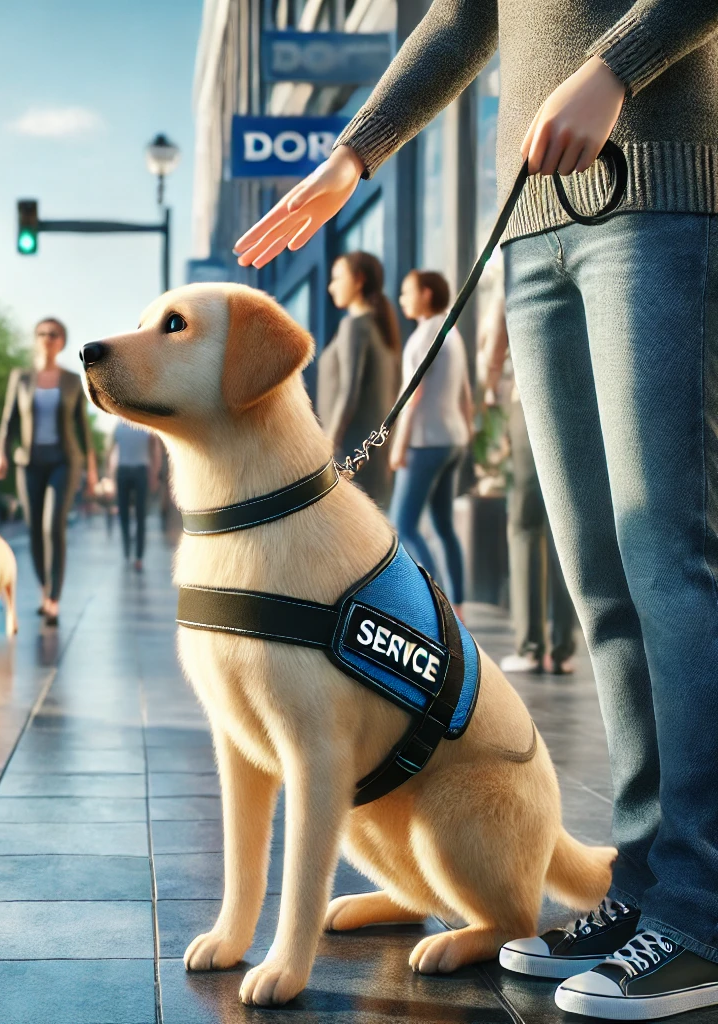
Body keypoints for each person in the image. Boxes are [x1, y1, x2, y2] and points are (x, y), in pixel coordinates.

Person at [234, 3, 718, 1016]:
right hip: (534, 223)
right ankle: (643, 888)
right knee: (601, 573)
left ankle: (702, 912)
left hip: (658, 186)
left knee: (666, 561)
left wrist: (614, 69)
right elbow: (460, 21)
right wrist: (355, 153)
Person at [482, 293, 576, 675]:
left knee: (525, 522)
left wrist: (490, 386)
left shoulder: (517, 248)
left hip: (533, 397)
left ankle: (531, 647)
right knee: (565, 521)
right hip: (581, 399)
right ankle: (563, 648)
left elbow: (495, 332)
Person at [0, 318, 97, 626]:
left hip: (64, 462)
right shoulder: (20, 378)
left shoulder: (71, 380)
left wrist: (91, 469)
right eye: (41, 333)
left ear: (61, 341)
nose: (46, 338)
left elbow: (83, 429)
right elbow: (8, 420)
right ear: (35, 339)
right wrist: (0, 454)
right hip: (29, 463)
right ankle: (44, 589)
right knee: (34, 528)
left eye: (53, 334)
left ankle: (53, 599)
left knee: (53, 526)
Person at [388, 269, 472, 618]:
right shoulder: (452, 333)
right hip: (453, 440)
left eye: (407, 292)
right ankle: (458, 606)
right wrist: (467, 435)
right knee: (443, 526)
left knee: (403, 524)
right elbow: (466, 392)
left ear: (425, 293)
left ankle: (433, 605)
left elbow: (413, 394)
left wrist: (398, 443)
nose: (402, 298)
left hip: (425, 442)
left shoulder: (423, 336)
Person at [317, 251, 401, 507]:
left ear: (359, 280)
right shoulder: (381, 330)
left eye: (337, 278)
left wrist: (326, 446)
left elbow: (348, 392)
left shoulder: (354, 327)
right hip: (373, 457)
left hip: (349, 454)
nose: (331, 287)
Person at [109, 419, 161, 571]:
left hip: (141, 471)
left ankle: (139, 556)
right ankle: (126, 549)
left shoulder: (146, 425)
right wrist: (111, 475)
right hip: (123, 470)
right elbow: (112, 450)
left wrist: (154, 474)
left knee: (141, 516)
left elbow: (154, 450)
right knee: (123, 514)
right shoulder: (118, 425)